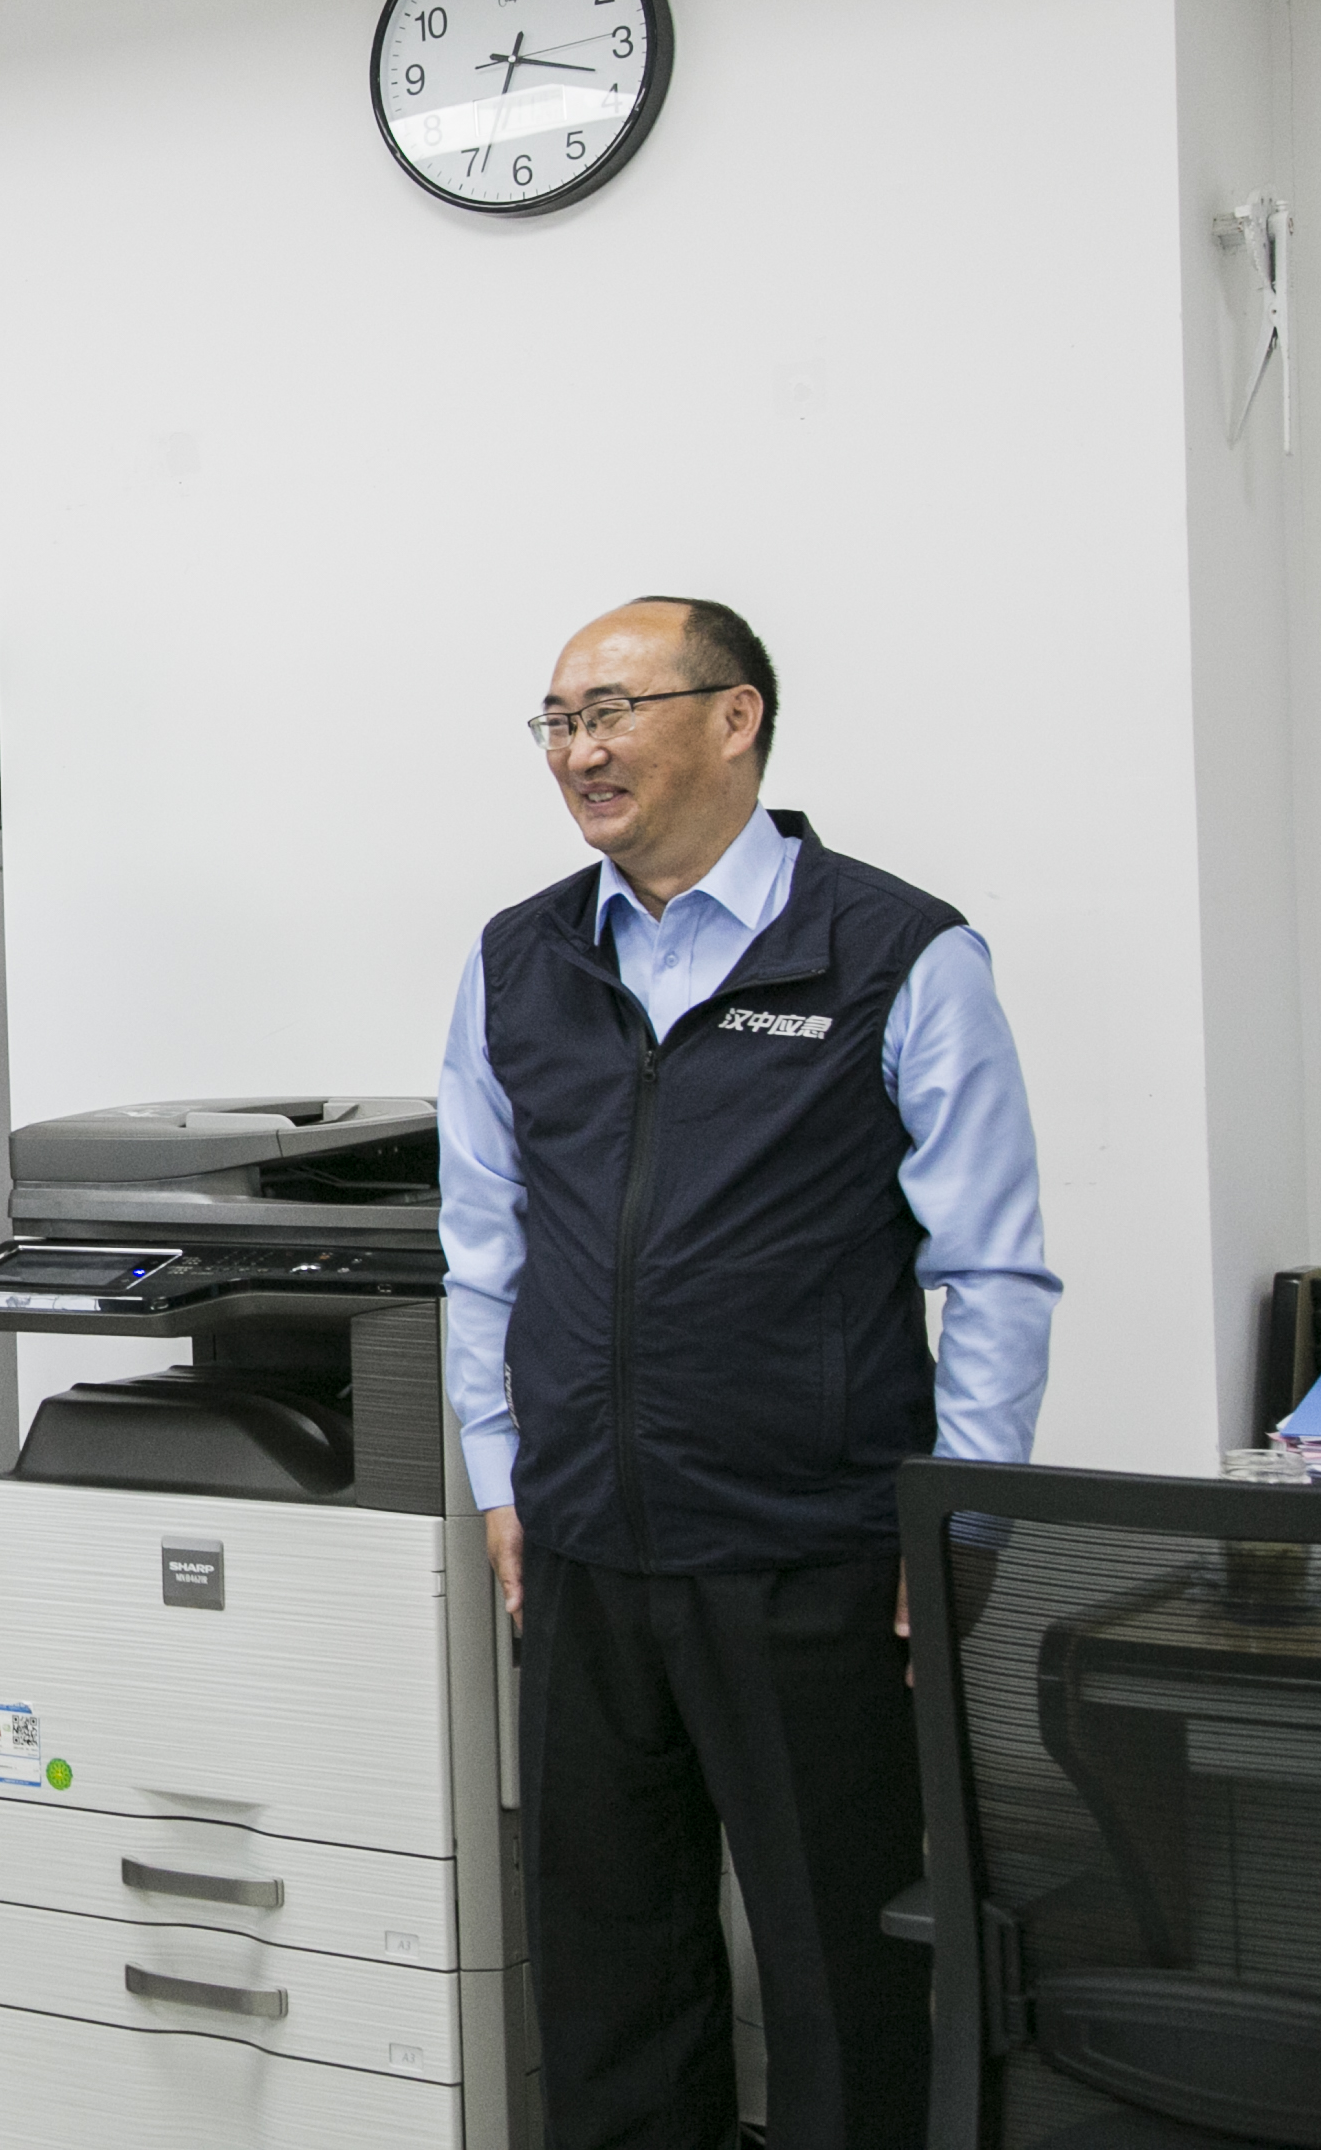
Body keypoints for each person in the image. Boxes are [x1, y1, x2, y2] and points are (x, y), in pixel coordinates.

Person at [438, 596, 1056, 2150]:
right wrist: (499, 1480)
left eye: (610, 711)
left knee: (842, 1976)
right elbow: (482, 1248)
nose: (576, 750)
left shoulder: (895, 951)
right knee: (606, 1980)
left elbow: (990, 1268)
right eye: (556, 720)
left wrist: (957, 1519)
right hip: (580, 1548)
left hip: (809, 1554)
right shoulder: (517, 959)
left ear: (734, 718)